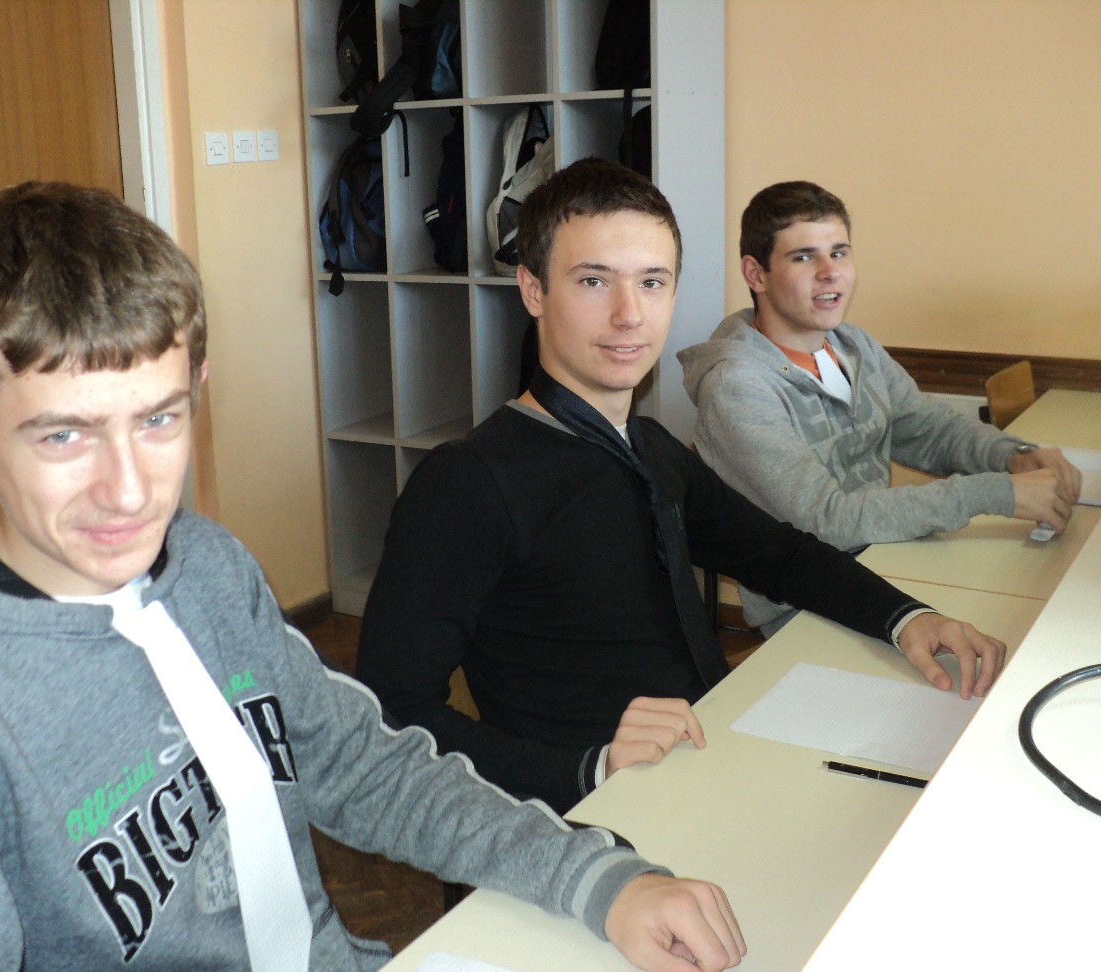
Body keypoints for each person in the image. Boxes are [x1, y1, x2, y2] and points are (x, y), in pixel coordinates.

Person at [0, 182, 749, 972]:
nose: (130, 491)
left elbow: (362, 764)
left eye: (158, 420)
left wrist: (593, 877)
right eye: (64, 434)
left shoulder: (203, 567)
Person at [356, 159, 1008, 816]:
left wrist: (908, 619)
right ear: (533, 290)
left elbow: (779, 554)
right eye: (593, 281)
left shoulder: (649, 446)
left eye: (652, 282)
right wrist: (590, 768)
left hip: (708, 757)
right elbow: (389, 712)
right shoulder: (468, 483)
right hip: (590, 816)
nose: (629, 315)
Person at [678, 181, 1082, 634]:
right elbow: (825, 520)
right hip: (806, 603)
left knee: (1030, 618)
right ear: (756, 275)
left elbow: (926, 428)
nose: (830, 272)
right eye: (804, 257)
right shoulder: (736, 384)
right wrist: (996, 493)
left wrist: (1013, 456)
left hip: (884, 560)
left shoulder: (852, 344)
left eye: (839, 252)